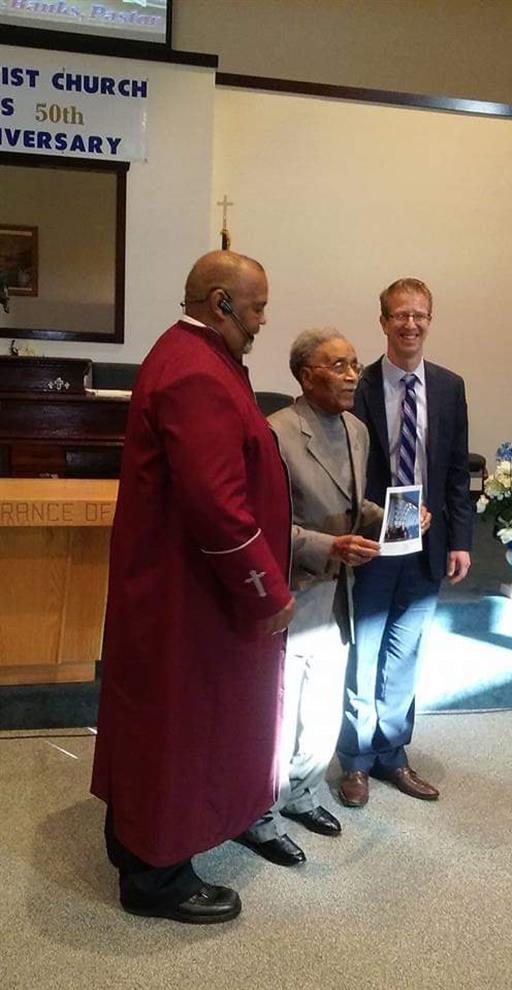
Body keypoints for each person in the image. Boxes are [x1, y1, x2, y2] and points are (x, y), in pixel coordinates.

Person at [91, 250, 294, 924]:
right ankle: (156, 879)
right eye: (257, 305)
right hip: (191, 595)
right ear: (220, 301)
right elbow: (216, 504)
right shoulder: (196, 374)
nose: (264, 319)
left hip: (180, 584)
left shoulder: (190, 356)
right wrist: (265, 590)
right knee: (179, 725)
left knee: (157, 718)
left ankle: (138, 845)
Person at [236, 329, 383, 867]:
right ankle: (260, 815)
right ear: (305, 374)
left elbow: (353, 500)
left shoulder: (357, 430)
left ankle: (301, 794)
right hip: (294, 591)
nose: (352, 376)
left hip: (340, 593)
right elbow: (260, 524)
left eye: (355, 364)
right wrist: (329, 545)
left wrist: (389, 520)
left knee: (321, 709)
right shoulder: (274, 433)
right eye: (338, 366)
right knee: (281, 711)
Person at [337, 277, 473, 807]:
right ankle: (356, 761)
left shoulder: (450, 386)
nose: (410, 324)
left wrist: (460, 538)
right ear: (383, 321)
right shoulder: (360, 387)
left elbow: (456, 471)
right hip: (375, 540)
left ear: (430, 320)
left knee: (405, 650)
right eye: (400, 315)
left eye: (420, 315)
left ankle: (393, 753)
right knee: (365, 649)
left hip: (427, 543)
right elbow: (346, 470)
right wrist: (375, 518)